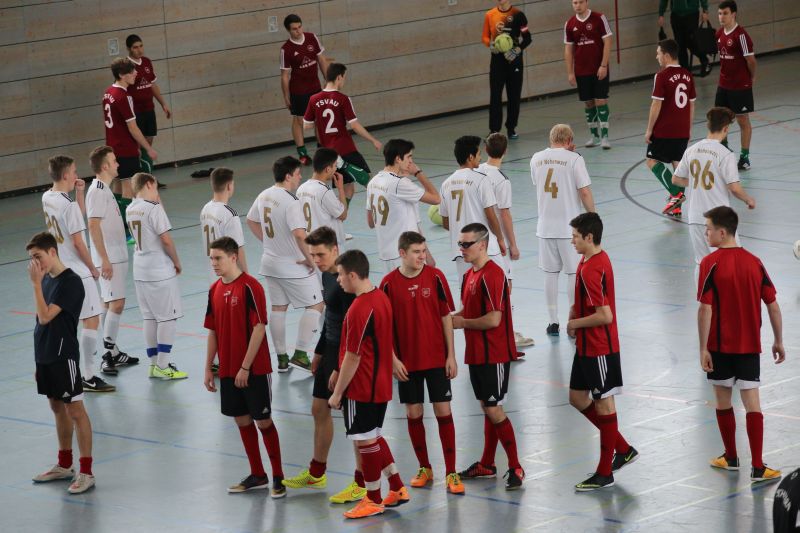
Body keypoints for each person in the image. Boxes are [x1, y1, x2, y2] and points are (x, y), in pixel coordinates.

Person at [697, 206, 784, 483]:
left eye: (709, 229)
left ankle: (731, 457)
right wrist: (778, 340)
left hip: (719, 347)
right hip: (749, 347)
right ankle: (757, 466)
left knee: (723, 400)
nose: (706, 233)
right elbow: (772, 305)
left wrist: (703, 347)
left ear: (722, 233)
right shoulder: (755, 262)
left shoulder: (709, 263)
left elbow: (705, 309)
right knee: (752, 402)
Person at [281, 226, 367, 505]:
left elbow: (353, 328)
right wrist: (318, 352)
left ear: (335, 250)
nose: (315, 260)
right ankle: (317, 472)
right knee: (318, 409)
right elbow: (331, 316)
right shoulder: (328, 275)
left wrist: (340, 367)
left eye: (320, 254)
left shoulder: (347, 281)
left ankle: (362, 483)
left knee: (356, 423)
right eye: (312, 254)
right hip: (330, 350)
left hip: (346, 356)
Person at [379, 231, 463, 495]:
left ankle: (451, 472)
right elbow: (383, 327)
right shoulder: (388, 284)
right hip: (407, 364)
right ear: (402, 253)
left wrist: (451, 355)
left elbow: (446, 317)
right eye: (416, 252)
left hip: (436, 359)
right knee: (413, 414)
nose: (422, 256)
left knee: (443, 412)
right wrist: (393, 360)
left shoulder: (435, 277)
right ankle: (425, 468)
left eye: (424, 251)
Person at [329, 250, 408, 519]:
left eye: (340, 275)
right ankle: (396, 487)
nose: (338, 279)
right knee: (373, 436)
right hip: (380, 384)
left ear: (352, 275)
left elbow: (353, 356)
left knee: (365, 441)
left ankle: (373, 499)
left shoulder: (359, 308)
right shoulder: (380, 298)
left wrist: (338, 392)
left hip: (362, 387)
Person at [203, 237, 285, 498]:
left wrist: (245, 367)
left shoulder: (251, 286)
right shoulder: (214, 289)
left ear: (233, 257)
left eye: (218, 258)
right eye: (211, 258)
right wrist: (208, 367)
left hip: (254, 369)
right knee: (241, 419)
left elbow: (259, 328)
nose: (214, 263)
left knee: (263, 420)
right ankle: (257, 474)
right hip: (228, 369)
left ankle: (278, 477)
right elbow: (212, 331)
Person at [566, 212, 637, 491]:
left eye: (575, 236)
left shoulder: (592, 268)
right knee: (576, 398)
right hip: (585, 347)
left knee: (604, 405)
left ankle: (605, 472)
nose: (572, 241)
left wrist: (574, 323)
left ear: (589, 237)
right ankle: (623, 448)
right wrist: (575, 308)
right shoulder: (588, 259)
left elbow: (605, 315)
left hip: (600, 348)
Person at [451, 223, 523, 491]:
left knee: (494, 408)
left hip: (494, 354)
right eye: (460, 244)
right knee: (486, 407)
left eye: (466, 244)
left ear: (482, 245)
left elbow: (494, 319)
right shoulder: (469, 275)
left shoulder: (493, 274)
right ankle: (487, 463)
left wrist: (462, 323)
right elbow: (467, 310)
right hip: (476, 353)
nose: (462, 249)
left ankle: (515, 466)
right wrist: (449, 317)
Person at [27, 232, 96, 494]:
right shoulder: (46, 279)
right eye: (32, 259)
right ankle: (65, 465)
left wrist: (35, 285)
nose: (35, 264)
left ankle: (86, 472)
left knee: (75, 411)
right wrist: (38, 360)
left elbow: (46, 316)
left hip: (63, 356)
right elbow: (39, 322)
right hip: (45, 355)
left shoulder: (71, 282)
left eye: (38, 257)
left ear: (52, 252)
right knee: (56, 406)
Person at [42, 156, 114, 393]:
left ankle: (72, 371)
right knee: (91, 320)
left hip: (59, 269)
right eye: (73, 171)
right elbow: (78, 240)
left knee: (71, 323)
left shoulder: (47, 197)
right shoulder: (68, 205)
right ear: (65, 175)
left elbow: (74, 220)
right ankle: (89, 376)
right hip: (78, 272)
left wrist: (79, 194)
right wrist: (92, 267)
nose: (76, 175)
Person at [246, 156, 323, 373]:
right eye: (298, 174)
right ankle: (300, 354)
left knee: (278, 308)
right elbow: (299, 234)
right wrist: (310, 259)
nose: (300, 177)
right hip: (292, 264)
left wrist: (268, 242)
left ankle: (281, 359)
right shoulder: (291, 201)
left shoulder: (264, 194)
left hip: (270, 263)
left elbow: (250, 220)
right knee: (317, 304)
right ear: (288, 176)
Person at [672, 107, 755, 278]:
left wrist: (695, 182)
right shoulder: (725, 154)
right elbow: (734, 187)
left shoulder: (691, 150)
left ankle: (703, 295)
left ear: (708, 125)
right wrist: (748, 199)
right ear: (726, 128)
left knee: (702, 263)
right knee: (731, 262)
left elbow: (676, 179)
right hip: (719, 219)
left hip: (695, 217)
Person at [530, 124, 595, 337]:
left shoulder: (536, 159)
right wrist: (593, 216)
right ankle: (573, 320)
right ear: (569, 141)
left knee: (550, 274)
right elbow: (584, 192)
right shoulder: (575, 159)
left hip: (545, 228)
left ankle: (552, 321)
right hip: (569, 229)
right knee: (572, 273)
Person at [126, 172, 187, 380]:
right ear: (149, 184)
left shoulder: (130, 208)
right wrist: (176, 261)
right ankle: (163, 365)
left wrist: (157, 200)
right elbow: (166, 240)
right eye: (156, 187)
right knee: (167, 318)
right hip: (158, 270)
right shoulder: (153, 209)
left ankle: (154, 365)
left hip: (140, 270)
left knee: (149, 317)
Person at [85, 146, 140, 377]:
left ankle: (113, 351)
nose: (118, 164)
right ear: (105, 166)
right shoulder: (97, 191)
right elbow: (93, 225)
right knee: (117, 303)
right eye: (114, 161)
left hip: (116, 255)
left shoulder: (104, 189)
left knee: (109, 303)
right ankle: (107, 355)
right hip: (110, 258)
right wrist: (104, 259)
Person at [478, 133, 534, 349]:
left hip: (477, 238)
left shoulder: (476, 170)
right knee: (505, 285)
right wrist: (513, 244)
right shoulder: (501, 180)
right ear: (506, 151)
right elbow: (504, 214)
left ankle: (492, 328)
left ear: (485, 150)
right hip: (495, 241)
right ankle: (508, 332)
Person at [303, 63, 382, 201]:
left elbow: (306, 126)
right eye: (344, 77)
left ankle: (341, 213)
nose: (344, 81)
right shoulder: (343, 99)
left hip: (330, 154)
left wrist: (320, 120)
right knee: (370, 182)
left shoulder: (313, 99)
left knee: (347, 188)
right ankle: (382, 210)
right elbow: (355, 126)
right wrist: (373, 140)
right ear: (339, 77)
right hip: (346, 148)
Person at [102, 57, 158, 236]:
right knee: (128, 188)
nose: (135, 74)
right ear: (121, 74)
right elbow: (133, 128)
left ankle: (117, 224)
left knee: (118, 186)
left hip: (112, 147)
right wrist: (148, 148)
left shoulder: (108, 92)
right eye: (131, 71)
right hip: (125, 148)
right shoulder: (123, 96)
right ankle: (127, 230)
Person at [367, 139, 440, 273]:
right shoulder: (400, 184)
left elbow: (371, 222)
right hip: (407, 256)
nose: (411, 162)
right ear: (398, 159)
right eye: (409, 157)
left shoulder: (373, 182)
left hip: (386, 256)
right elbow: (436, 199)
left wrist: (427, 254)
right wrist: (418, 173)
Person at [439, 136, 506, 280]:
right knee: (500, 285)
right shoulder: (481, 179)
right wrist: (500, 239)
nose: (480, 158)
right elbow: (491, 216)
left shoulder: (445, 184)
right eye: (479, 154)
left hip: (461, 251)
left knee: (468, 290)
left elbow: (445, 223)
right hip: (485, 249)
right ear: (470, 157)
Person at [645, 38, 696, 217]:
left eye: (658, 53)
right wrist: (688, 128)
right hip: (682, 129)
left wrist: (649, 130)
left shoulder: (661, 76)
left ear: (666, 55)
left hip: (664, 130)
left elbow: (656, 104)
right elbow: (691, 104)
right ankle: (677, 208)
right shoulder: (688, 75)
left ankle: (676, 195)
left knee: (651, 161)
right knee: (677, 166)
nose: (657, 57)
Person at [281, 14, 331, 166]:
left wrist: (328, 81)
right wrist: (286, 96)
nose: (298, 31)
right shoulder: (286, 49)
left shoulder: (312, 38)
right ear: (288, 30)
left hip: (315, 87)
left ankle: (321, 150)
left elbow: (321, 59)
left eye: (300, 27)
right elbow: (284, 76)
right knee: (299, 120)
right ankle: (302, 153)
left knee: (319, 118)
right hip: (298, 90)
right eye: (294, 29)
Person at [564, 0, 614, 149]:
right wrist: (570, 72)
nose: (577, 5)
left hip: (598, 69)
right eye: (574, 2)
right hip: (581, 70)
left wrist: (603, 65)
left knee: (601, 100)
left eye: (580, 2)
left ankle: (605, 136)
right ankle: (594, 136)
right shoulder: (569, 24)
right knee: (588, 102)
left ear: (586, 2)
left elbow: (608, 42)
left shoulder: (599, 18)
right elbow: (568, 50)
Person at [715, 0, 757, 170]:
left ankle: (745, 158)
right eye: (719, 13)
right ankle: (724, 150)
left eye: (725, 13)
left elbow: (751, 60)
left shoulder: (741, 35)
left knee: (742, 120)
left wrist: (751, 77)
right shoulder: (719, 34)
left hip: (740, 86)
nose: (721, 17)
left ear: (733, 14)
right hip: (723, 84)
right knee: (720, 119)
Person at [482, 0, 532, 138]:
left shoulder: (518, 15)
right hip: (497, 61)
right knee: (495, 96)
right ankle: (494, 130)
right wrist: (490, 44)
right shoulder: (490, 15)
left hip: (514, 60)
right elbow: (485, 36)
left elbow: (527, 38)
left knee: (514, 96)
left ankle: (511, 128)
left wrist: (517, 50)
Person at [126, 34, 171, 181]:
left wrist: (163, 104)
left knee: (149, 144)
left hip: (149, 110)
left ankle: (148, 178)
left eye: (141, 46)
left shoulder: (146, 62)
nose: (139, 50)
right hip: (135, 112)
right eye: (135, 47)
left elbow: (152, 85)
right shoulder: (126, 65)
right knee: (138, 147)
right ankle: (137, 180)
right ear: (129, 49)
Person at [200, 167, 248, 278]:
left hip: (213, 273)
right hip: (228, 276)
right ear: (229, 186)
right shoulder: (229, 214)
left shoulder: (205, 209)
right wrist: (246, 277)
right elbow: (238, 250)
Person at [296, 148, 348, 247]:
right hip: (328, 245)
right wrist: (341, 189)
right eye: (335, 166)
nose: (336, 169)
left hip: (311, 242)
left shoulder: (301, 189)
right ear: (328, 169)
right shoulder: (324, 190)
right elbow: (343, 215)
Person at [658, 0, 711, 76]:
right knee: (680, 45)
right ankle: (685, 72)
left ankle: (704, 60)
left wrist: (705, 10)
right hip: (676, 15)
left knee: (691, 42)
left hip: (691, 13)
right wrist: (661, 14)